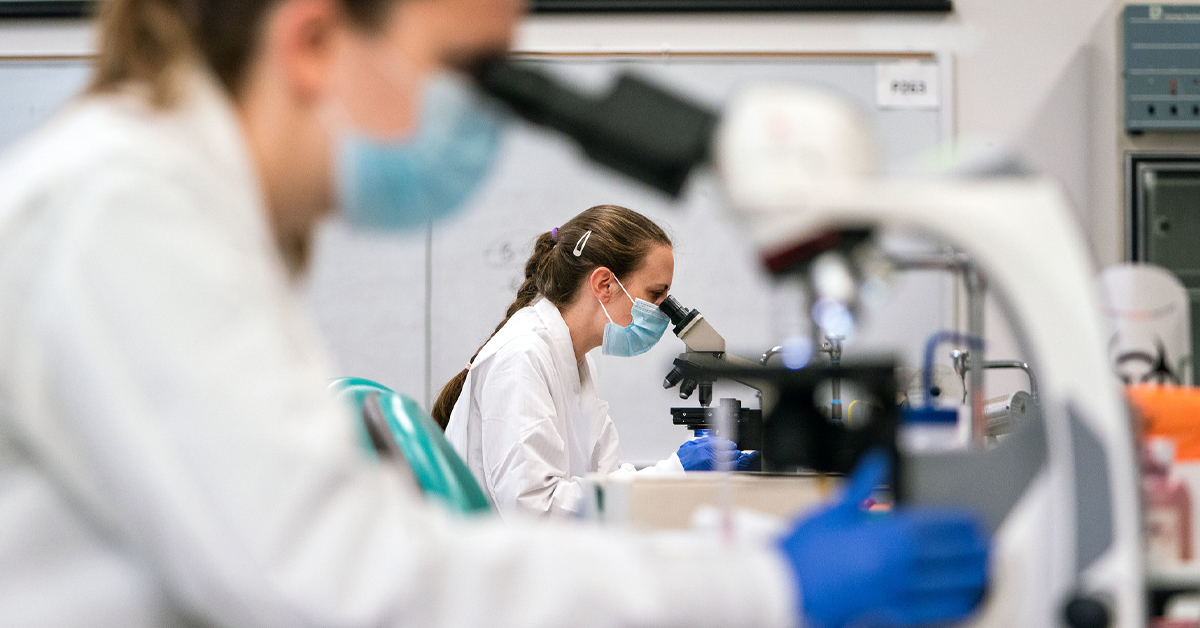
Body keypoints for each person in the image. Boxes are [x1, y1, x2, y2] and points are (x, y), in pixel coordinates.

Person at [0, 0, 990, 626]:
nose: (488, 122)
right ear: (312, 40)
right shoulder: (124, 212)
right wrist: (763, 590)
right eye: (476, 76)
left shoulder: (178, 209)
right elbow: (343, 577)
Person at [436, 204, 757, 520]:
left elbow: (602, 486)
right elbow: (536, 511)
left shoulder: (578, 365)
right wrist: (674, 473)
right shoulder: (523, 356)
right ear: (604, 284)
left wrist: (679, 480)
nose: (662, 311)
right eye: (656, 294)